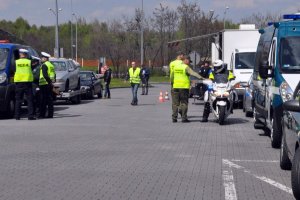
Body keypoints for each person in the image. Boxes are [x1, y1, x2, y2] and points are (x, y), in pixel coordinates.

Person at [171, 55, 205, 123]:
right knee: (184, 103)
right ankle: (184, 118)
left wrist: (172, 84)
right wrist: (202, 78)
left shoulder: (175, 67)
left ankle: (174, 118)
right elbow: (193, 73)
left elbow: (172, 77)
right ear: (185, 60)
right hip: (184, 88)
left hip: (175, 87)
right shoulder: (185, 67)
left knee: (175, 103)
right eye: (189, 61)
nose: (189, 63)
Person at [14, 49, 36, 120]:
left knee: (18, 100)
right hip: (27, 82)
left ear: (20, 54)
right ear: (26, 55)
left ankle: (17, 116)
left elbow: (14, 69)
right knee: (29, 100)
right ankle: (30, 116)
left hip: (19, 82)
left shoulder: (16, 62)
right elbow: (36, 63)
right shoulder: (29, 62)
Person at [38, 52, 56, 118]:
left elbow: (45, 75)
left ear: (45, 58)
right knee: (50, 100)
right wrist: (52, 82)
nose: (41, 59)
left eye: (42, 58)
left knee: (43, 100)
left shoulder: (44, 65)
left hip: (44, 84)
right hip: (50, 84)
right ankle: (50, 114)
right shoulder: (51, 65)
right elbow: (54, 74)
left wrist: (49, 82)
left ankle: (42, 114)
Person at [169, 51, 185, 116]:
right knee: (182, 99)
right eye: (183, 55)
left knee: (174, 101)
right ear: (180, 55)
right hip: (183, 84)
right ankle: (181, 110)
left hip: (174, 83)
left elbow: (171, 73)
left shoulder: (171, 63)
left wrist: (171, 81)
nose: (184, 57)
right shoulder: (183, 63)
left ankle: (174, 114)